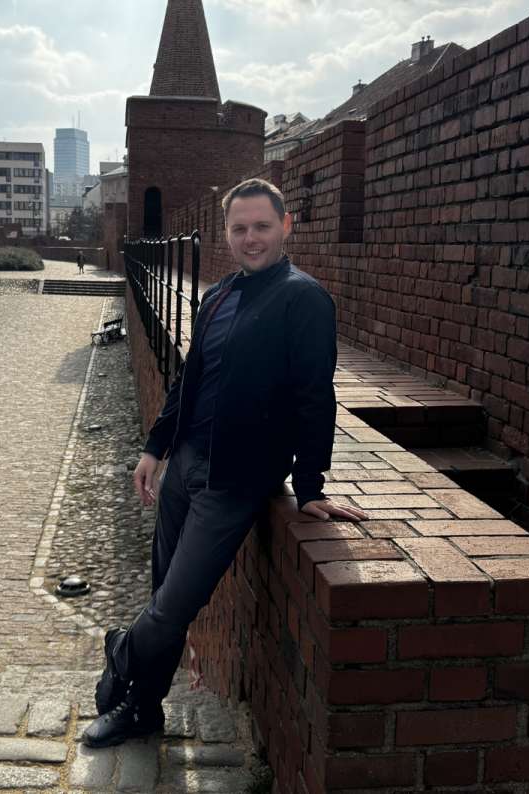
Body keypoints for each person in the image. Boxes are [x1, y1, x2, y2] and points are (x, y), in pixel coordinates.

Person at [81, 178, 368, 748]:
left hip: (235, 481)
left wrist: (309, 485)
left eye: (262, 226)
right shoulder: (216, 296)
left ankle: (122, 649)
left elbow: (316, 396)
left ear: (286, 227)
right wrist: (155, 448)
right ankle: (143, 708)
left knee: (177, 600)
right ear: (227, 233)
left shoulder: (304, 298)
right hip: (185, 463)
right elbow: (190, 379)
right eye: (239, 228)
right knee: (165, 594)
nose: (250, 238)